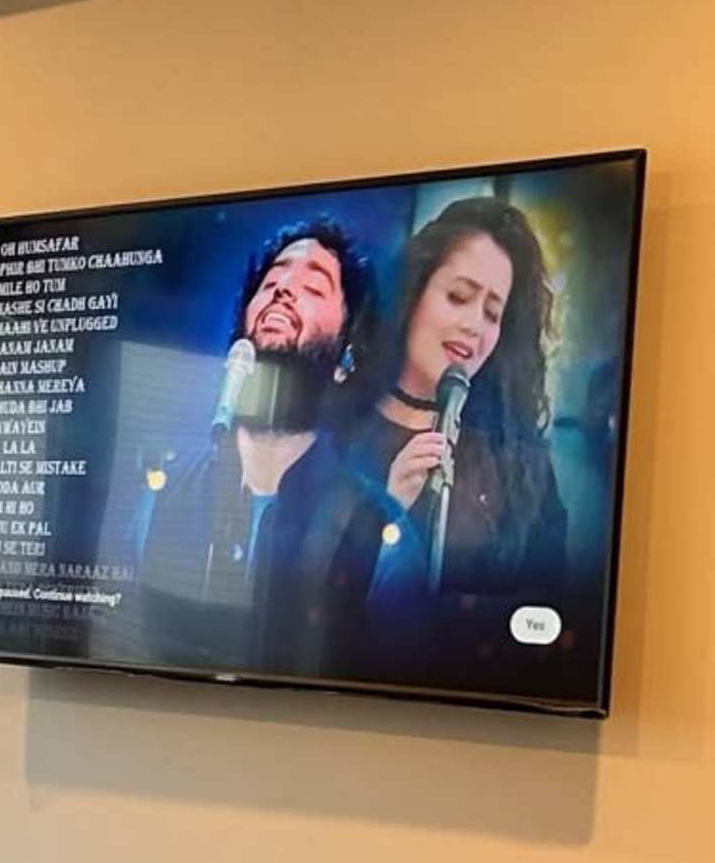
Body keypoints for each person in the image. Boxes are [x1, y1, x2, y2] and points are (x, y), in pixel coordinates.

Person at [253, 195, 569, 682]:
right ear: (414, 293)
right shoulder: (328, 429)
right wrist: (380, 514)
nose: (473, 326)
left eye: (492, 312)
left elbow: (551, 618)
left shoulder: (520, 464)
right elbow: (285, 611)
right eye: (459, 297)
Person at [128, 218, 375, 671]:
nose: (282, 289)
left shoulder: (364, 521)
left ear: (346, 356)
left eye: (314, 287)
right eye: (273, 280)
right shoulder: (162, 498)